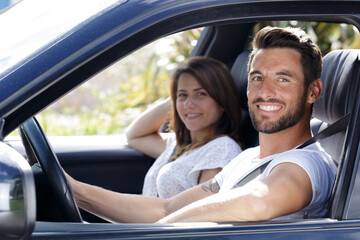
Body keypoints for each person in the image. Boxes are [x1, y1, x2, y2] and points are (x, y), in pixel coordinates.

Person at [66, 26, 337, 224]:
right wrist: (76, 192)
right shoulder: (247, 159)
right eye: (257, 78)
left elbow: (259, 200)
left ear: (313, 92)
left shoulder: (307, 164)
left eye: (283, 79)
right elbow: (165, 208)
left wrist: (162, 230)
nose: (265, 91)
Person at [125, 56, 244, 198]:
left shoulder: (222, 149)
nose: (189, 105)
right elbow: (134, 135)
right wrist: (176, 100)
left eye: (201, 94)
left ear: (222, 101)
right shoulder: (179, 144)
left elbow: (201, 211)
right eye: (182, 95)